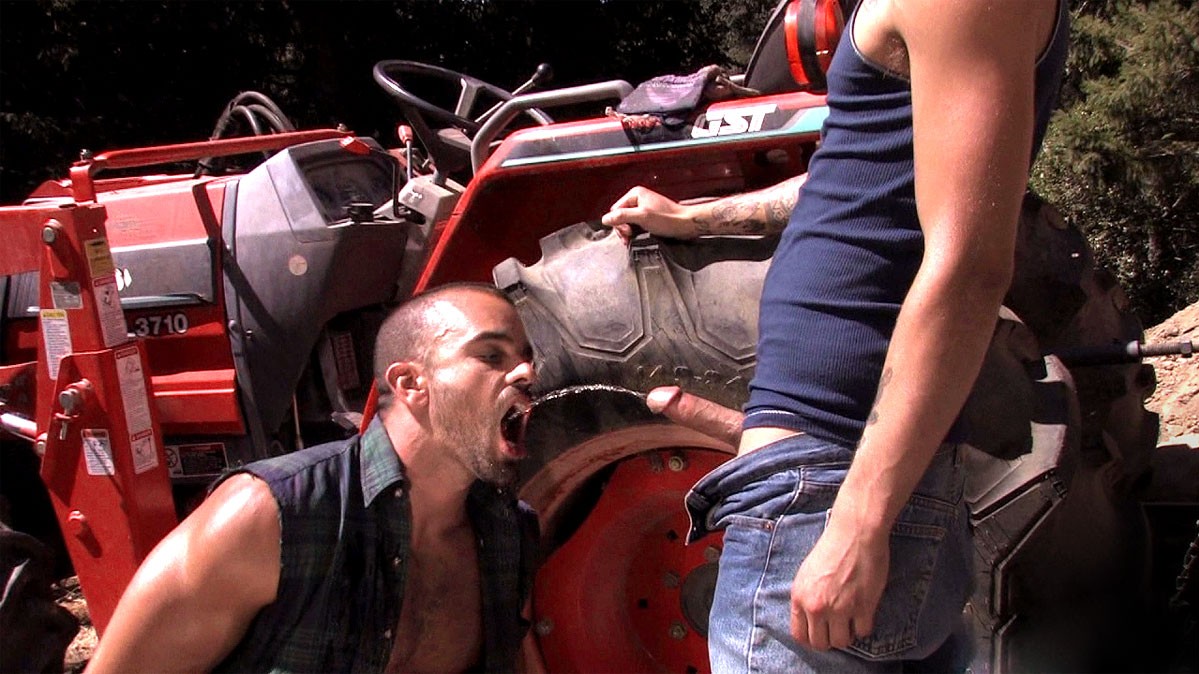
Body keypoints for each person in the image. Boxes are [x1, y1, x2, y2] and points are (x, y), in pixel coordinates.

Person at [604, 1, 1069, 671]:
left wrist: (858, 523)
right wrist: (694, 217)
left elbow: (970, 269)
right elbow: (856, 175)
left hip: (828, 476)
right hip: (826, 472)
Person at [85, 282, 539, 674]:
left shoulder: (509, 533)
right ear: (409, 383)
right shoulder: (269, 515)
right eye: (491, 355)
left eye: (526, 358)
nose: (527, 373)